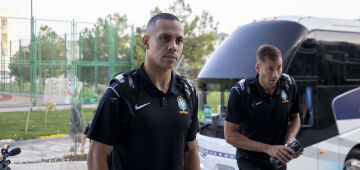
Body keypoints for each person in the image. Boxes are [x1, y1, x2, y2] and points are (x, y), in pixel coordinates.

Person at [87, 13, 200, 170]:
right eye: (165, 38)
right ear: (146, 41)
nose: (173, 46)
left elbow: (191, 151)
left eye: (178, 40)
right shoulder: (121, 92)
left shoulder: (187, 91)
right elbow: (96, 155)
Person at [224, 44, 301, 170]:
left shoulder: (289, 85)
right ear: (258, 67)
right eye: (270, 68)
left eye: (279, 68)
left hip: (278, 161)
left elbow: (296, 118)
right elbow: (230, 136)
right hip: (250, 162)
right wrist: (267, 148)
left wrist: (291, 138)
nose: (276, 74)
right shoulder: (241, 91)